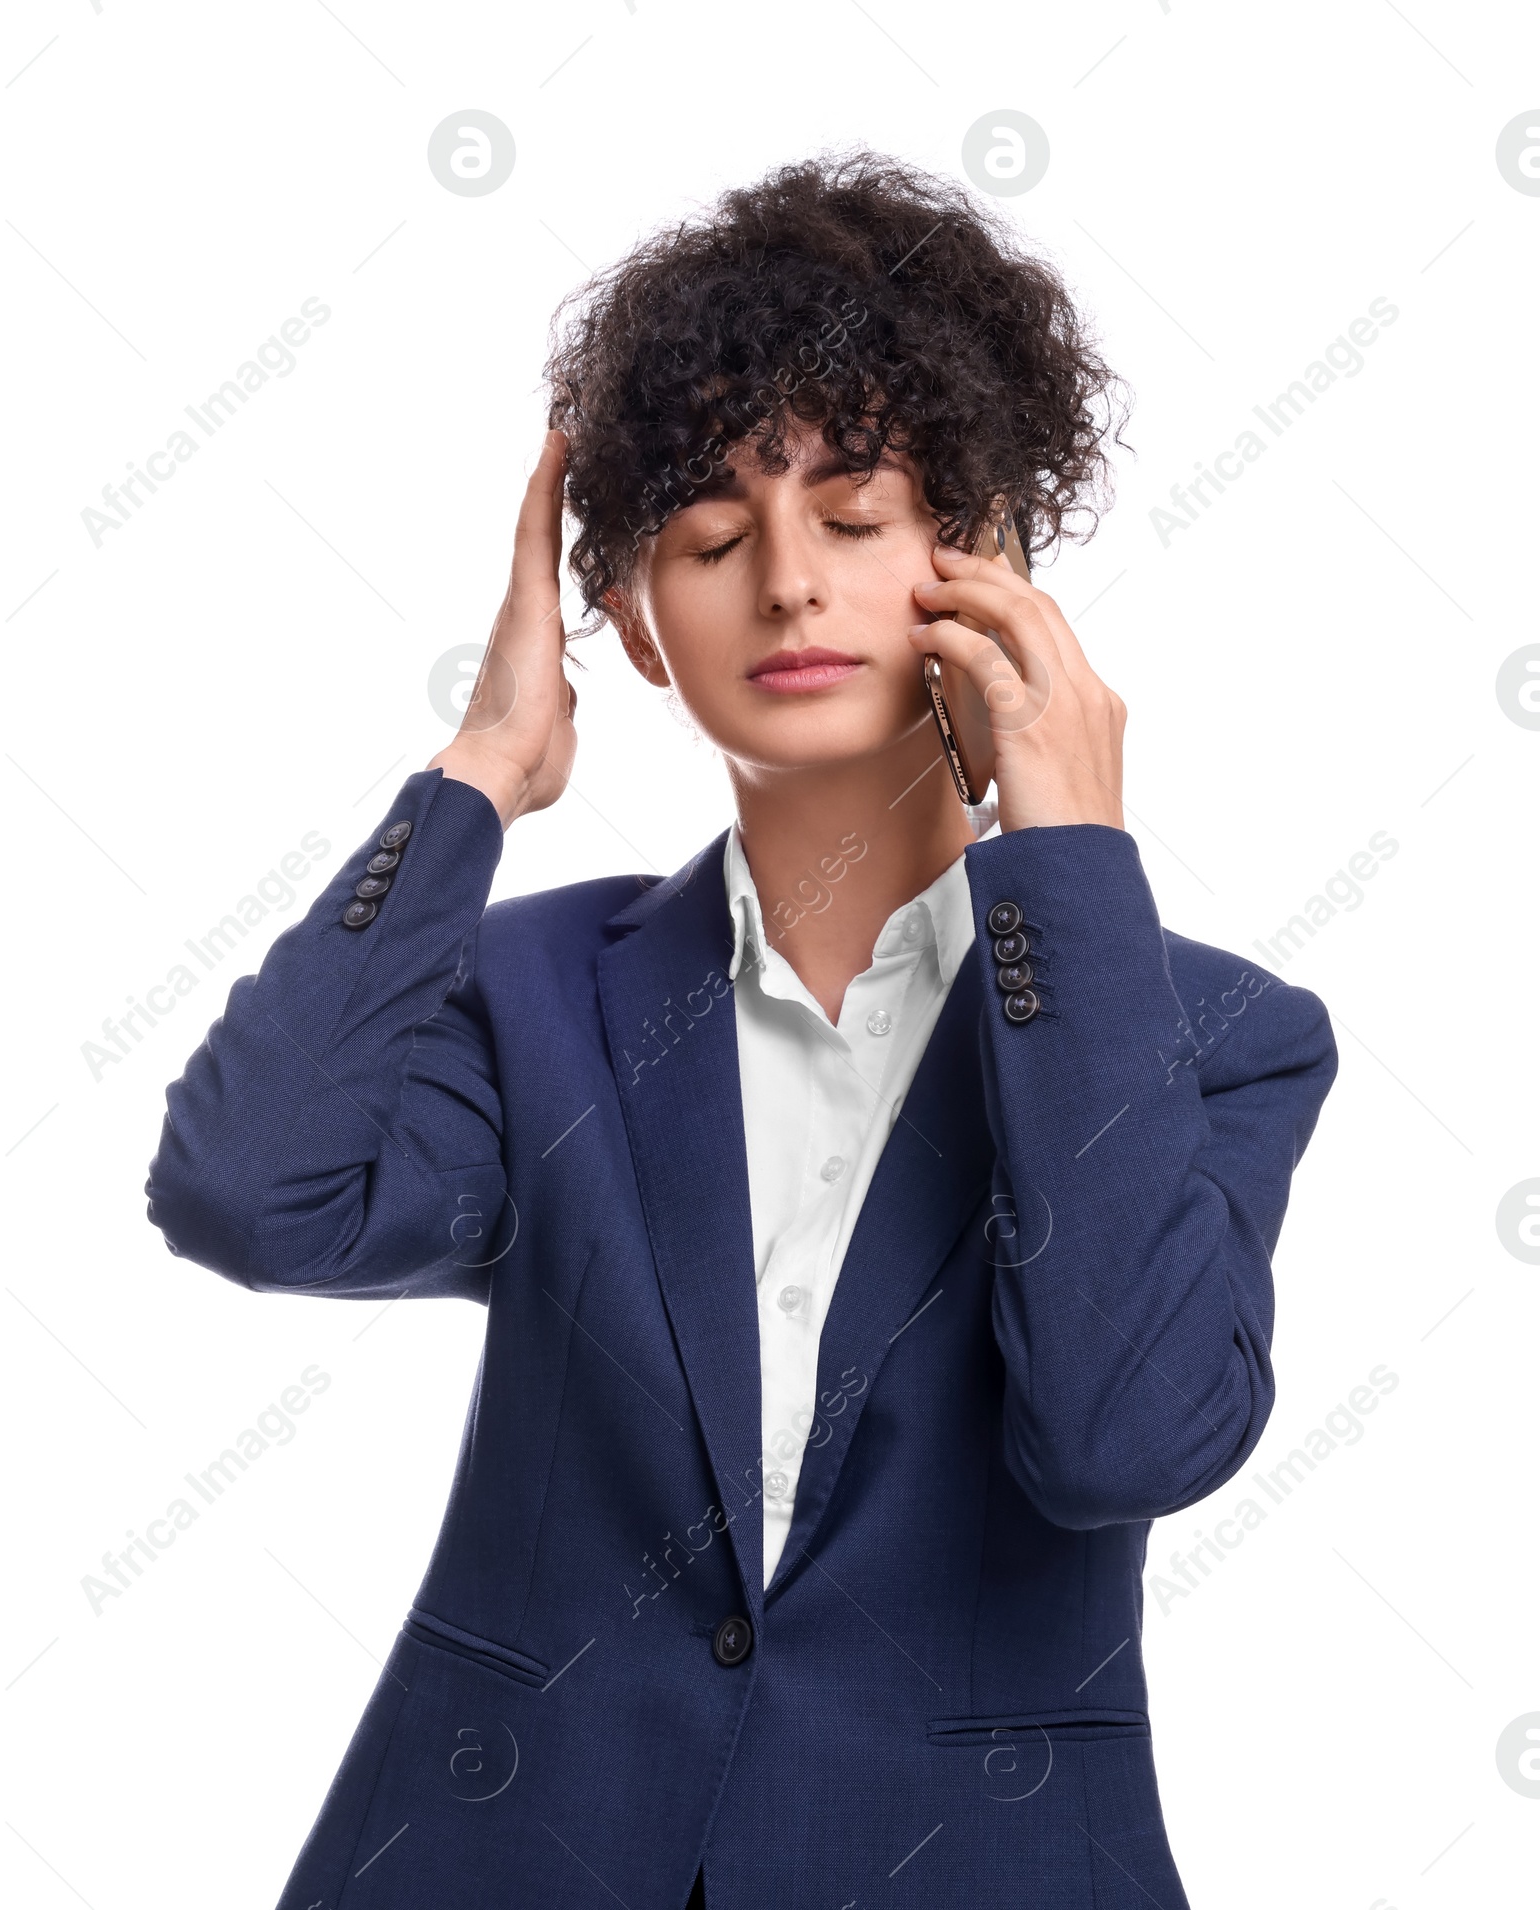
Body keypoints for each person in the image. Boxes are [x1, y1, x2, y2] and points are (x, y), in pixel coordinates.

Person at [146, 153, 1338, 1910]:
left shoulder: (1218, 1032)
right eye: (709, 535)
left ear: (981, 552)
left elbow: (1122, 1439)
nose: (787, 582)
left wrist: (1068, 855)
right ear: (630, 618)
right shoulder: (540, 994)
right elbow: (252, 1193)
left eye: (855, 517)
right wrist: (477, 775)